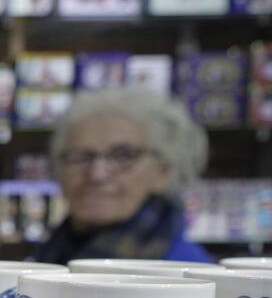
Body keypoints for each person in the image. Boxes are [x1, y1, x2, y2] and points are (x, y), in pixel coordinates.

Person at [32, 89, 214, 264]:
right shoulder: (48, 255)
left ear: (162, 171)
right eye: (80, 156)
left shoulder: (188, 273)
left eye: (123, 155)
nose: (97, 174)